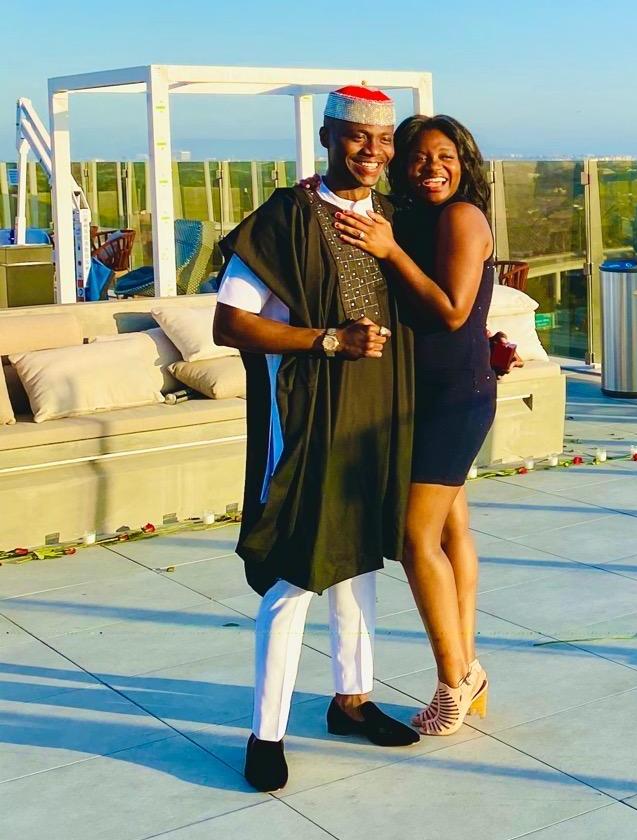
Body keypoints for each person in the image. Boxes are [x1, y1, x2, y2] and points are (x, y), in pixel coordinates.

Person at [212, 85, 419, 793]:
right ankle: (265, 733)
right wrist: (329, 340)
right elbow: (230, 324)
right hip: (305, 414)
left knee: (358, 560)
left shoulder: (391, 218)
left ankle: (352, 701)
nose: (372, 151)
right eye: (358, 136)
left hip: (375, 414)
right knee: (297, 570)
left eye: (384, 139)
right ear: (329, 136)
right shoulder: (284, 218)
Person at [333, 114, 505, 736]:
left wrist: (390, 251)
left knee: (414, 537)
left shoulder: (462, 217)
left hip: (454, 398)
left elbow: (453, 311)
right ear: (401, 165)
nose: (433, 167)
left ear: (464, 164)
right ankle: (469, 668)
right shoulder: (409, 218)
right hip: (423, 393)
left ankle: (453, 683)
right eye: (419, 157)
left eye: (446, 157)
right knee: (452, 530)